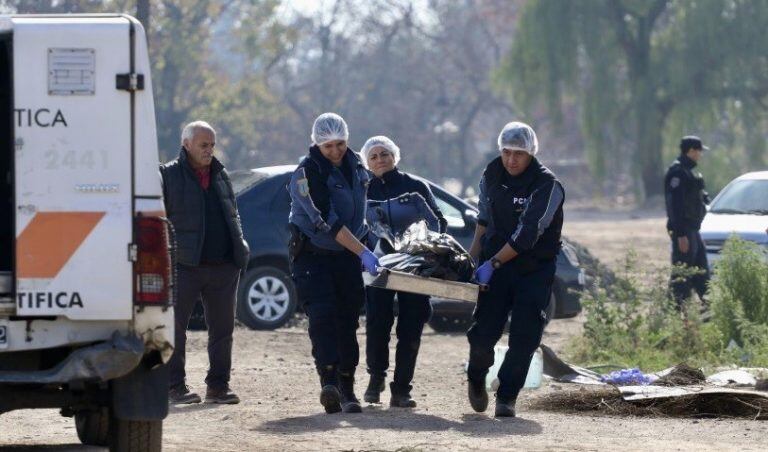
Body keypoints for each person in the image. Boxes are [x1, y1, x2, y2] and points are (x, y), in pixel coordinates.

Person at [465, 121, 564, 417]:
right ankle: (475, 378)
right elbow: (483, 217)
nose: (511, 160)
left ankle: (507, 397)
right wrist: (473, 258)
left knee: (525, 337)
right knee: (484, 334)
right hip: (496, 267)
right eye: (506, 152)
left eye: (518, 154)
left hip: (534, 269)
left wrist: (493, 263)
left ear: (531, 153)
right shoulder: (492, 173)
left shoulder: (547, 185)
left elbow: (527, 234)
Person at [288, 113, 380, 414]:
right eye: (328, 146)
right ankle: (328, 381)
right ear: (316, 144)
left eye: (340, 143)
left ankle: (348, 387)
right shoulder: (307, 172)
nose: (336, 151)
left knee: (348, 320)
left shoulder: (357, 167)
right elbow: (327, 220)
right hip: (313, 254)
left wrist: (373, 246)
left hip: (347, 256)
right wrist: (363, 251)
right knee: (323, 316)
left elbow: (362, 213)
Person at [161, 121, 250, 405]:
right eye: (203, 145)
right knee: (175, 328)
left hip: (224, 266)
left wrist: (240, 251)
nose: (209, 151)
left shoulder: (221, 175)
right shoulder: (168, 176)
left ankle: (218, 387)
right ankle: (174, 387)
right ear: (186, 144)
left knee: (223, 331)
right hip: (183, 265)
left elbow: (233, 215)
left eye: (212, 145)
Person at [359, 136, 447, 408]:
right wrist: (364, 253)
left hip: (415, 267)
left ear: (395, 156)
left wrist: (424, 249)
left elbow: (439, 222)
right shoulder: (362, 190)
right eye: (373, 156)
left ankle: (402, 389)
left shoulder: (415, 186)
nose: (380, 159)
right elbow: (356, 228)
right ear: (367, 163)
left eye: (384, 154)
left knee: (411, 326)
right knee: (377, 323)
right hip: (378, 266)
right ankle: (376, 379)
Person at [664, 135, 710, 310]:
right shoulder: (677, 173)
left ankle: (709, 305)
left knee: (701, 270)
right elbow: (674, 207)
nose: (700, 155)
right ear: (691, 151)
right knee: (682, 274)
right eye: (699, 151)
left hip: (693, 230)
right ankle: (674, 312)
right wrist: (681, 234)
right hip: (684, 231)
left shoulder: (688, 172)